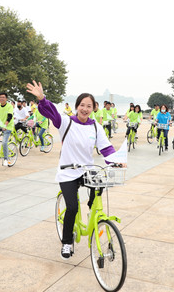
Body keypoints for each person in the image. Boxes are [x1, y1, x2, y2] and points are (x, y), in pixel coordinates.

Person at [26, 81, 122, 259]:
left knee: (99, 190)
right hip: (67, 171)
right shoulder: (66, 122)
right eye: (82, 105)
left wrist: (117, 161)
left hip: (86, 170)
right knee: (72, 207)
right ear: (77, 106)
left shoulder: (95, 126)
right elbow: (51, 113)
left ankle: (94, 214)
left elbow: (106, 148)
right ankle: (67, 242)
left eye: (89, 106)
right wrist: (42, 99)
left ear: (94, 108)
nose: (85, 109)